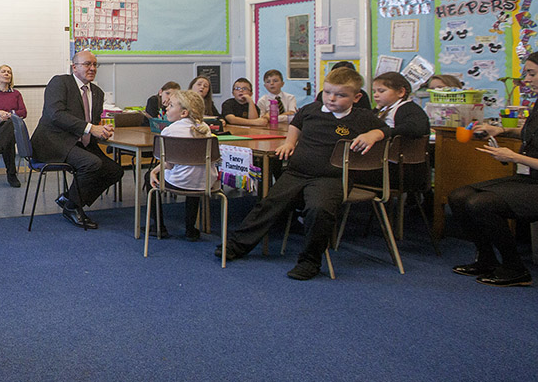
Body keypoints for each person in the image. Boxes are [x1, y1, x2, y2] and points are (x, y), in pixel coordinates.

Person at [217, 65, 388, 280]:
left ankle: (310, 261)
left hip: (331, 178)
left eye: (341, 95)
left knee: (318, 210)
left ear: (356, 97)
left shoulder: (362, 117)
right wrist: (290, 142)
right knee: (268, 204)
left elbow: (388, 129)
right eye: (328, 93)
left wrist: (374, 134)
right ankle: (236, 245)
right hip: (297, 172)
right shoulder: (311, 109)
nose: (332, 99)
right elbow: (296, 124)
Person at [447, 49, 538, 287]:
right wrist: (501, 130)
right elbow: (532, 134)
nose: (527, 79)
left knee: (481, 203)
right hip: (533, 180)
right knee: (458, 196)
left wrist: (514, 157)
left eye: (532, 73)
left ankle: (515, 268)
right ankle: (486, 259)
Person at [31, 50, 124, 230]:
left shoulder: (97, 92)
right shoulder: (60, 82)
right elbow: (55, 114)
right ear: (74, 67)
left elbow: (93, 122)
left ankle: (69, 198)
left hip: (81, 142)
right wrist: (91, 128)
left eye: (95, 64)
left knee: (115, 171)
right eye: (87, 64)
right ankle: (73, 208)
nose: (92, 68)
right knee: (91, 164)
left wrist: (102, 129)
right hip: (53, 141)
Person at [150, 89, 214, 241]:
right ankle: (190, 229)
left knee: (149, 177)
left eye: (171, 106)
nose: (166, 108)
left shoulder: (169, 130)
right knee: (195, 175)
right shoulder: (205, 128)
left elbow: (169, 165)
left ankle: (158, 226)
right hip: (205, 183)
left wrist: (154, 170)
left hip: (180, 182)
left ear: (184, 113)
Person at [370, 71, 431, 191]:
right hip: (390, 166)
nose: (375, 95)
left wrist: (384, 133)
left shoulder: (408, 108)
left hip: (399, 171)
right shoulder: (386, 109)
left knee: (344, 172)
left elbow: (415, 128)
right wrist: (377, 109)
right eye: (374, 92)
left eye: (381, 91)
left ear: (400, 92)